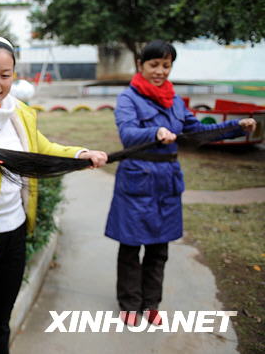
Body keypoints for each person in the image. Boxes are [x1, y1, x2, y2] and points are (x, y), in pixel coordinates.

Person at [0, 36, 108, 353]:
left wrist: (79, 154)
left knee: (0, 322)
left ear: (14, 74)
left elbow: (42, 149)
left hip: (13, 233)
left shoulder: (21, 113)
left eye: (5, 75)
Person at [105, 40, 257, 326]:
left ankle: (151, 304)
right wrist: (155, 131)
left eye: (166, 65)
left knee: (159, 248)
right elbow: (127, 134)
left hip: (166, 183)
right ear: (141, 66)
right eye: (154, 65)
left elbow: (196, 132)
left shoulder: (174, 99)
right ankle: (129, 303)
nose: (160, 71)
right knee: (130, 246)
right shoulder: (129, 98)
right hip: (137, 180)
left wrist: (235, 127)